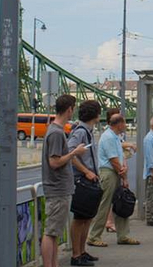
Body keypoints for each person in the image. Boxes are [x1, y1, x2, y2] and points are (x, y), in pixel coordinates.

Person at [41, 95, 87, 267]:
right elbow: (54, 162)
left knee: (55, 232)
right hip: (57, 188)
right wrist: (74, 153)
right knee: (51, 232)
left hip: (60, 188)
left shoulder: (55, 131)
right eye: (72, 109)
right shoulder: (56, 133)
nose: (72, 112)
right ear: (69, 109)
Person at [87, 114, 139, 247]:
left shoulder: (115, 136)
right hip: (109, 173)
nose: (126, 126)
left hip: (115, 172)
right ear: (119, 124)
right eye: (124, 123)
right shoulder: (109, 137)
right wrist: (124, 176)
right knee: (105, 205)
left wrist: (123, 170)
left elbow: (119, 156)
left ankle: (123, 235)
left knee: (121, 203)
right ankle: (94, 236)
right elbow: (113, 160)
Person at [67, 100, 102, 266]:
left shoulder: (88, 131)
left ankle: (82, 251)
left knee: (87, 217)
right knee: (80, 218)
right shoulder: (80, 131)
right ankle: (76, 255)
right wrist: (86, 171)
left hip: (91, 179)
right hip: (82, 181)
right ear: (94, 114)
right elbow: (70, 153)